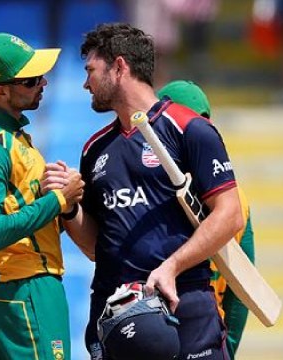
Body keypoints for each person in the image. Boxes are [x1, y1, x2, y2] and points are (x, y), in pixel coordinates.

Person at [43, 23, 243, 359]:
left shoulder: (189, 128)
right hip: (116, 313)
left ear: (119, 67)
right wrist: (69, 208)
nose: (85, 83)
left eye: (90, 70)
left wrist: (172, 267)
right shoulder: (95, 149)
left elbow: (230, 215)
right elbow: (96, 247)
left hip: (183, 302)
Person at [0, 32, 84, 359]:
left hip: (22, 288)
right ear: (0, 91)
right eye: (30, 80)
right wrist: (57, 200)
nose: (43, 83)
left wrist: (52, 198)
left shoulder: (14, 138)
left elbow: (24, 216)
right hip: (23, 288)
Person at [156, 79, 256, 358]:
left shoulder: (236, 202)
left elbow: (243, 284)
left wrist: (229, 346)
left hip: (205, 330)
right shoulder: (235, 199)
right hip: (157, 328)